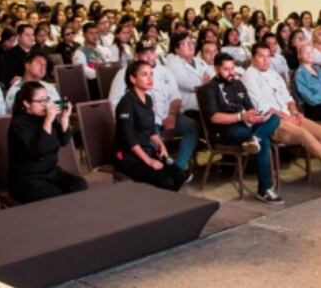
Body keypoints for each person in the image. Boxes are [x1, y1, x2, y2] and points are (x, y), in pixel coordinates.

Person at [242, 43, 321, 190]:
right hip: (272, 123)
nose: (266, 60)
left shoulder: (273, 74)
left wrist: (295, 112)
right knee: (304, 134)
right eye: (261, 57)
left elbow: (288, 97)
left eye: (268, 56)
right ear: (253, 58)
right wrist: (286, 117)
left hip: (290, 116)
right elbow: (261, 107)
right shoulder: (248, 77)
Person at [197, 53, 283, 204]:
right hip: (224, 131)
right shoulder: (208, 89)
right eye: (226, 69)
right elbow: (214, 118)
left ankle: (254, 139)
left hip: (246, 125)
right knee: (263, 142)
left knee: (274, 118)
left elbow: (250, 108)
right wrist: (241, 117)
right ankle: (265, 189)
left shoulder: (238, 84)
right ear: (216, 68)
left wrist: (257, 117)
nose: (231, 73)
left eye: (233, 68)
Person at [108, 40, 197, 171]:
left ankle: (179, 167)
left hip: (168, 114)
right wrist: (136, 122)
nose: (150, 56)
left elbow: (175, 96)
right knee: (152, 141)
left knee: (192, 127)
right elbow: (113, 103)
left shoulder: (165, 71)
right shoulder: (124, 74)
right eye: (145, 53)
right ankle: (163, 170)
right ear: (137, 55)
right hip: (144, 121)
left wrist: (172, 115)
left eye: (152, 52)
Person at [114, 60, 189, 191]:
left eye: (151, 74)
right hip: (129, 158)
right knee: (166, 181)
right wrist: (149, 161)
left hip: (147, 149)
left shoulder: (148, 99)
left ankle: (169, 201)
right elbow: (129, 139)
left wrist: (161, 145)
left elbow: (151, 130)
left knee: (181, 176)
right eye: (144, 75)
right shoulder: (126, 104)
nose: (150, 78)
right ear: (133, 79)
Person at [7, 81, 87, 203]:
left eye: (47, 99)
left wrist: (65, 118)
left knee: (79, 184)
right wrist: (48, 121)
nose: (45, 105)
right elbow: (39, 149)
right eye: (40, 101)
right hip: (27, 178)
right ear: (26, 103)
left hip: (51, 171)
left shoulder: (45, 116)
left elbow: (63, 141)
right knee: (56, 196)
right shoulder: (19, 124)